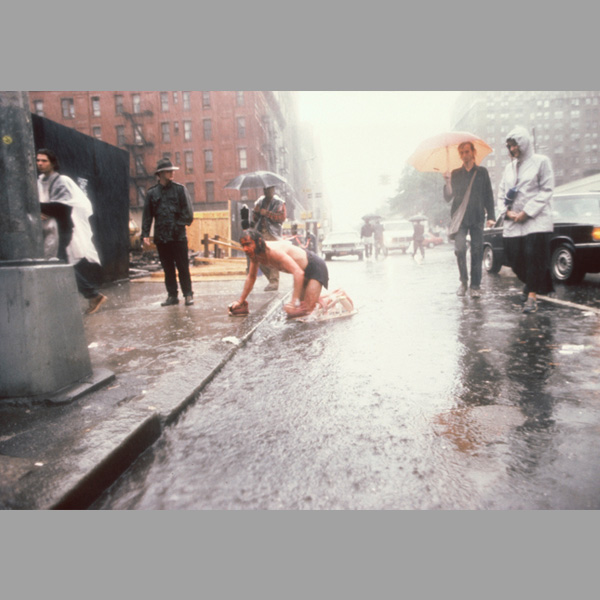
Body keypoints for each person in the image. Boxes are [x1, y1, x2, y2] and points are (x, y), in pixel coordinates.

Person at [36, 149, 107, 315]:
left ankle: (92, 295)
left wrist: (38, 208)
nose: (40, 163)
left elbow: (62, 207)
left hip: (61, 230)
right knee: (59, 265)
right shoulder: (40, 181)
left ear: (52, 163)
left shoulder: (61, 181)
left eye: (44, 161)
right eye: (38, 160)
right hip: (47, 230)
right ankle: (90, 295)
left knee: (57, 265)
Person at [499, 126, 555, 314]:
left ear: (524, 143)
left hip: (536, 220)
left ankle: (532, 296)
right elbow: (501, 193)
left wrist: (527, 212)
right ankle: (535, 282)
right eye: (509, 146)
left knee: (533, 255)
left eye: (515, 145)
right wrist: (507, 213)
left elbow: (546, 189)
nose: (512, 149)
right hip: (514, 221)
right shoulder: (508, 168)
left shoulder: (541, 162)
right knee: (514, 258)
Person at [228, 228, 328, 319]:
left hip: (315, 267)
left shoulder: (273, 252)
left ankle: (332, 297)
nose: (245, 249)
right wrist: (241, 301)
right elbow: (251, 277)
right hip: (303, 272)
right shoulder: (255, 254)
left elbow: (298, 273)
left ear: (259, 242)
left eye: (248, 244)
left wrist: (292, 303)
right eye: (243, 245)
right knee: (301, 310)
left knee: (307, 311)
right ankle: (315, 298)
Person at [443, 141, 496, 297]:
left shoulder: (482, 172)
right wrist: (447, 182)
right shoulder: (455, 173)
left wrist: (491, 216)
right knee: (460, 249)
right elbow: (448, 197)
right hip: (460, 219)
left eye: (467, 151)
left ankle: (475, 286)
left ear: (473, 152)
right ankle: (464, 282)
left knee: (477, 251)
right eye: (462, 153)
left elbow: (488, 195)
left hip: (477, 217)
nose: (465, 155)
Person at [142, 158, 194, 306]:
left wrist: (177, 226)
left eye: (172, 170)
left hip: (178, 237)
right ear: (160, 174)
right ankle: (172, 296)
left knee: (183, 266)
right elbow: (147, 215)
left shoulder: (180, 190)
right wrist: (145, 234)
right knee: (168, 268)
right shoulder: (152, 193)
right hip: (161, 237)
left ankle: (188, 295)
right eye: (168, 171)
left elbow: (188, 213)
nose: (172, 173)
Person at [250, 185, 287, 291]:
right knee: (258, 257)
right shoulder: (260, 202)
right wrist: (256, 212)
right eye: (265, 189)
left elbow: (282, 218)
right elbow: (255, 219)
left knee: (272, 257)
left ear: (273, 190)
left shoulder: (279, 202)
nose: (267, 191)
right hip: (261, 233)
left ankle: (274, 282)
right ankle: (271, 280)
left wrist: (267, 213)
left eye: (270, 189)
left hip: (273, 234)